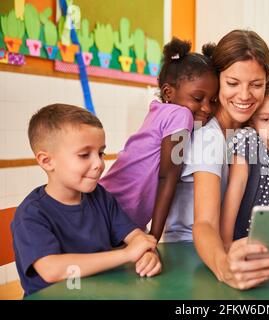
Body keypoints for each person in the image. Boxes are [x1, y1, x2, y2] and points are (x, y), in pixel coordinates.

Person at [168, 29, 269, 290]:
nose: (244, 96)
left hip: (226, 247)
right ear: (217, 79)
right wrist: (224, 268)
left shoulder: (246, 133)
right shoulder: (209, 137)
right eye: (233, 83)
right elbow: (204, 223)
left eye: (256, 85)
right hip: (189, 256)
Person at [11, 104, 162, 297]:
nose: (99, 164)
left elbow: (135, 237)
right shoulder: (30, 214)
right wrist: (126, 254)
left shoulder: (101, 197)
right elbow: (52, 269)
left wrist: (146, 254)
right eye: (84, 155)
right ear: (47, 161)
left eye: (101, 153)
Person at [99, 38, 218, 241]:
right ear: (168, 92)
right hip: (110, 215)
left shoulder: (159, 111)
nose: (207, 108)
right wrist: (153, 237)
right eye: (198, 98)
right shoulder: (181, 116)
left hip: (109, 209)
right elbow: (168, 176)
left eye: (212, 100)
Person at [220, 77, 269, 248]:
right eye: (265, 119)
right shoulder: (248, 141)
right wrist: (226, 244)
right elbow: (235, 189)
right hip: (245, 247)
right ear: (252, 121)